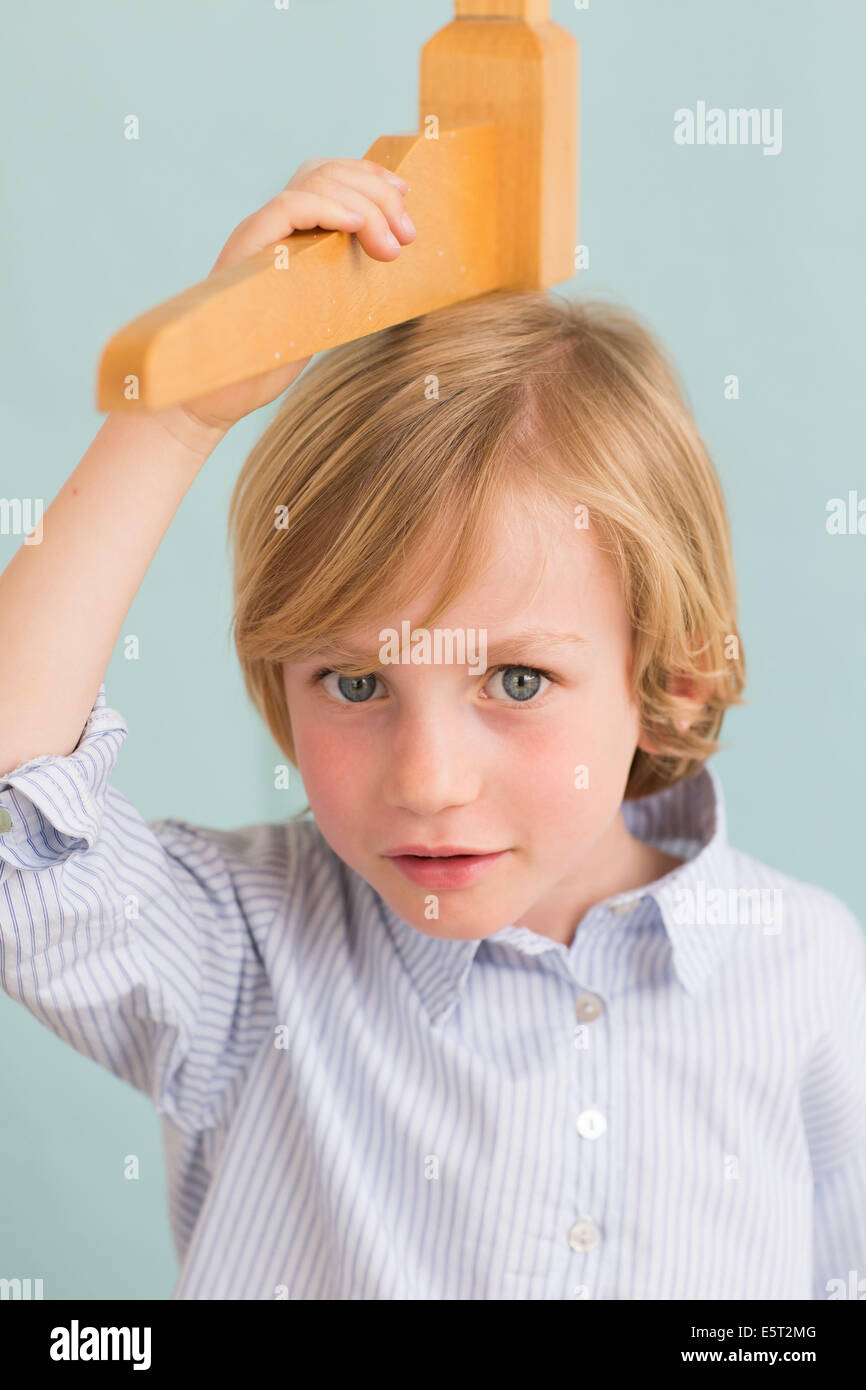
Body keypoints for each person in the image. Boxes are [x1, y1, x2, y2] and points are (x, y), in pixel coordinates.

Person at [0, 158, 863, 1300]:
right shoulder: (247, 959)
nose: (428, 779)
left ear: (673, 677)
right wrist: (169, 422)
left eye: (514, 679)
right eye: (355, 686)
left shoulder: (802, 969)